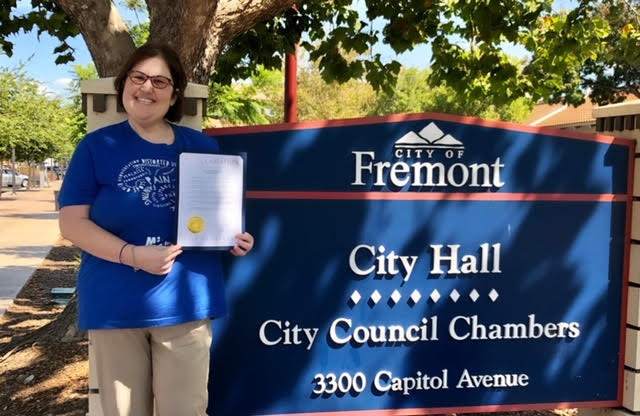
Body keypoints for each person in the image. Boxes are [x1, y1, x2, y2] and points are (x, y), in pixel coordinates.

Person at [58, 43, 254, 416]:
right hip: (115, 304)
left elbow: (217, 216)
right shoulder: (96, 147)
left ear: (174, 94)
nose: (147, 87)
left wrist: (234, 237)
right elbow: (71, 223)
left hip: (186, 305)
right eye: (138, 77)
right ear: (124, 84)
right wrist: (132, 255)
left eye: (160, 82)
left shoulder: (203, 147)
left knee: (185, 410)